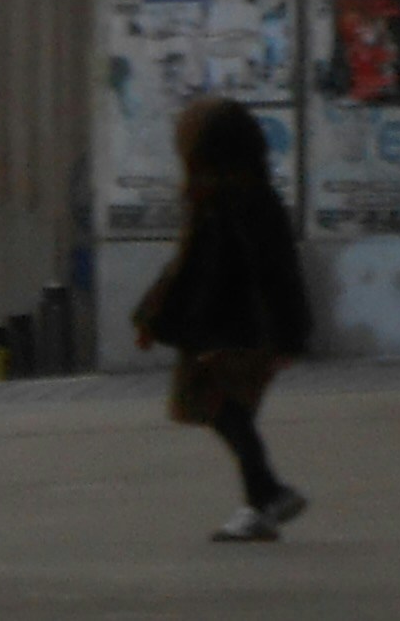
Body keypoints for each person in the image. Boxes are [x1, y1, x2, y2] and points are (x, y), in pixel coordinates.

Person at [129, 96, 315, 543]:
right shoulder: (256, 197)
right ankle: (262, 500)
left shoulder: (218, 204)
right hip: (252, 330)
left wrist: (155, 320)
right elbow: (284, 270)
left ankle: (266, 494)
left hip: (226, 330)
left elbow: (193, 269)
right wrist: (291, 335)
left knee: (218, 406)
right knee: (229, 411)